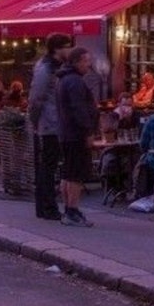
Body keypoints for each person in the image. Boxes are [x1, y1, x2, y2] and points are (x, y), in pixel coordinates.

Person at [27, 32, 73, 221]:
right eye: (67, 47)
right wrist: (35, 121)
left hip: (56, 121)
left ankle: (45, 207)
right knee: (47, 166)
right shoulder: (45, 68)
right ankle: (47, 207)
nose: (70, 50)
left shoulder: (58, 67)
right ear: (57, 49)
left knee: (49, 164)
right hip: (49, 122)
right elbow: (36, 98)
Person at [55, 45, 99, 227]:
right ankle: (72, 211)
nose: (89, 64)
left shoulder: (63, 80)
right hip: (76, 134)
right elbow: (79, 109)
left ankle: (68, 209)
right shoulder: (75, 82)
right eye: (86, 61)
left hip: (65, 133)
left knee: (67, 173)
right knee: (76, 175)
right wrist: (88, 131)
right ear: (77, 61)